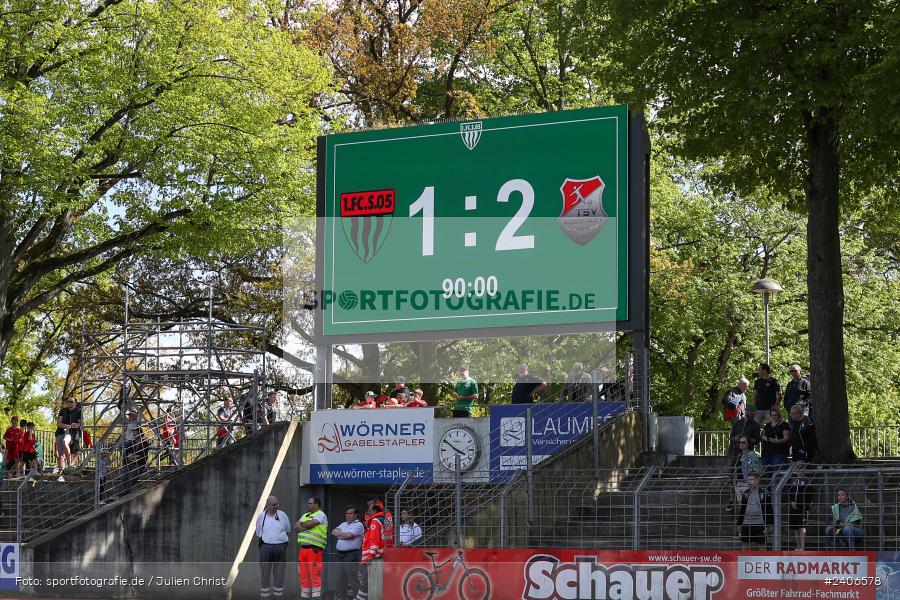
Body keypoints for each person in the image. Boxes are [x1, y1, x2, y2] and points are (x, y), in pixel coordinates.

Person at [256, 495, 292, 600]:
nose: (276, 506)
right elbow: (258, 532)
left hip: (280, 547)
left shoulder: (282, 515)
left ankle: (278, 596)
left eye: (277, 504)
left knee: (280, 573)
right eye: (274, 505)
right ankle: (265, 596)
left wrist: (279, 540)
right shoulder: (261, 516)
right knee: (265, 572)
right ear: (268, 505)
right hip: (265, 547)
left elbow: (288, 529)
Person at [295, 496, 328, 600]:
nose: (307, 505)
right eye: (308, 503)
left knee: (315, 574)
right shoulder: (306, 515)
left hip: (314, 550)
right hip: (303, 550)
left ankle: (316, 597)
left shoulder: (321, 515)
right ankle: (305, 597)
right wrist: (306, 525)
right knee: (303, 575)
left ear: (316, 505)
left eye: (310, 503)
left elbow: (311, 523)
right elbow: (296, 526)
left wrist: (303, 525)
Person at [332, 505, 364, 600]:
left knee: (352, 579)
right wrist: (343, 535)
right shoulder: (343, 524)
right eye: (347, 513)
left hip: (352, 554)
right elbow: (333, 532)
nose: (348, 515)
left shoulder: (359, 525)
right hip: (340, 555)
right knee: (340, 579)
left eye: (350, 513)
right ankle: (339, 598)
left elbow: (350, 535)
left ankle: (356, 598)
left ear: (355, 515)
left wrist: (340, 535)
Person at [356, 504, 386, 600]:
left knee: (367, 581)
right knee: (368, 582)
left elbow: (374, 541)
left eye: (369, 510)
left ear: (375, 511)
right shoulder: (382, 520)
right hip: (376, 556)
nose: (368, 512)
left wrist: (370, 555)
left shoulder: (375, 521)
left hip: (374, 558)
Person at [736, 472, 772, 550]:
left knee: (761, 545)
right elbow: (742, 509)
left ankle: (762, 562)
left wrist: (770, 524)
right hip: (747, 523)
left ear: (757, 480)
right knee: (745, 545)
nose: (749, 481)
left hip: (760, 523)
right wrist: (739, 524)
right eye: (748, 480)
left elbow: (769, 509)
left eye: (751, 479)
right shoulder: (745, 493)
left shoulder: (764, 493)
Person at [787, 462, 813, 551]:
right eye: (797, 468)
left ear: (804, 469)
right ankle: (798, 546)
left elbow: (808, 495)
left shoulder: (807, 481)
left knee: (802, 527)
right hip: (793, 507)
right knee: (795, 527)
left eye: (800, 468)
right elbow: (789, 493)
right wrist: (791, 502)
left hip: (802, 508)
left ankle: (802, 547)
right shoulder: (793, 481)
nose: (798, 470)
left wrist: (799, 504)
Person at [121, 411, 148, 495]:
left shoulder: (145, 443)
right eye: (134, 433)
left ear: (140, 434)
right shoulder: (131, 443)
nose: (134, 434)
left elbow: (143, 457)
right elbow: (126, 456)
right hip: (130, 463)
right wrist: (133, 457)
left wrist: (133, 457)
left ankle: (124, 494)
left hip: (139, 464)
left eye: (136, 433)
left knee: (132, 475)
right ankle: (123, 493)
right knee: (125, 475)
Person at [56, 398, 82, 477]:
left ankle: (70, 463)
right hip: (60, 432)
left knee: (66, 443)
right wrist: (65, 426)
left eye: (71, 401)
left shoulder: (79, 411)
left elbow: (80, 423)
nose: (69, 403)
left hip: (72, 433)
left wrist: (74, 425)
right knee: (60, 455)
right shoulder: (63, 410)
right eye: (68, 401)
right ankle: (62, 472)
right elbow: (59, 423)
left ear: (75, 403)